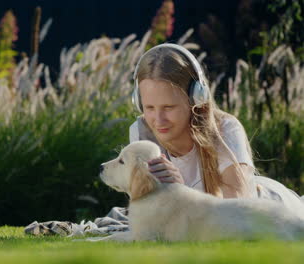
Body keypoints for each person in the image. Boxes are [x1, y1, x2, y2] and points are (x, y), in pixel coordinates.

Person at [129, 43, 304, 212]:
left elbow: (236, 212)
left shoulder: (225, 130)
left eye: (169, 107)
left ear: (195, 98)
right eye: (149, 108)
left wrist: (181, 192)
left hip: (272, 210)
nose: (158, 120)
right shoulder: (142, 133)